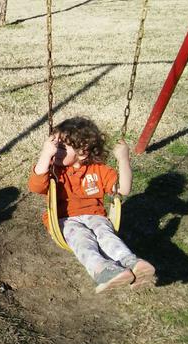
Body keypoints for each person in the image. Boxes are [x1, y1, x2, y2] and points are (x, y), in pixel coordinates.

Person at [28, 117, 155, 293]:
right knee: (82, 239)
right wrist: (45, 154)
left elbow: (123, 189)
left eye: (62, 148)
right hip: (63, 220)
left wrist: (123, 160)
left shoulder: (99, 170)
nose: (55, 151)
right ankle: (102, 270)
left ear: (83, 152)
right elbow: (35, 187)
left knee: (105, 234)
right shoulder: (52, 170)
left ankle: (132, 263)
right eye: (54, 146)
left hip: (96, 216)